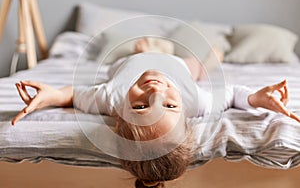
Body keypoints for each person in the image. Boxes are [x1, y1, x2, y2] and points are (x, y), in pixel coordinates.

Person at [12, 38, 300, 188]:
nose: (156, 92)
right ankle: (213, 55)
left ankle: (144, 49)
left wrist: (52, 96)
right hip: (180, 67)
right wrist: (257, 98)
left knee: (136, 53)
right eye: (170, 106)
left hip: (128, 63)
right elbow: (232, 95)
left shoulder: (110, 97)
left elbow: (72, 94)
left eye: (140, 107)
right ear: (186, 113)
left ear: (119, 115)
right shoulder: (196, 100)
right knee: (200, 65)